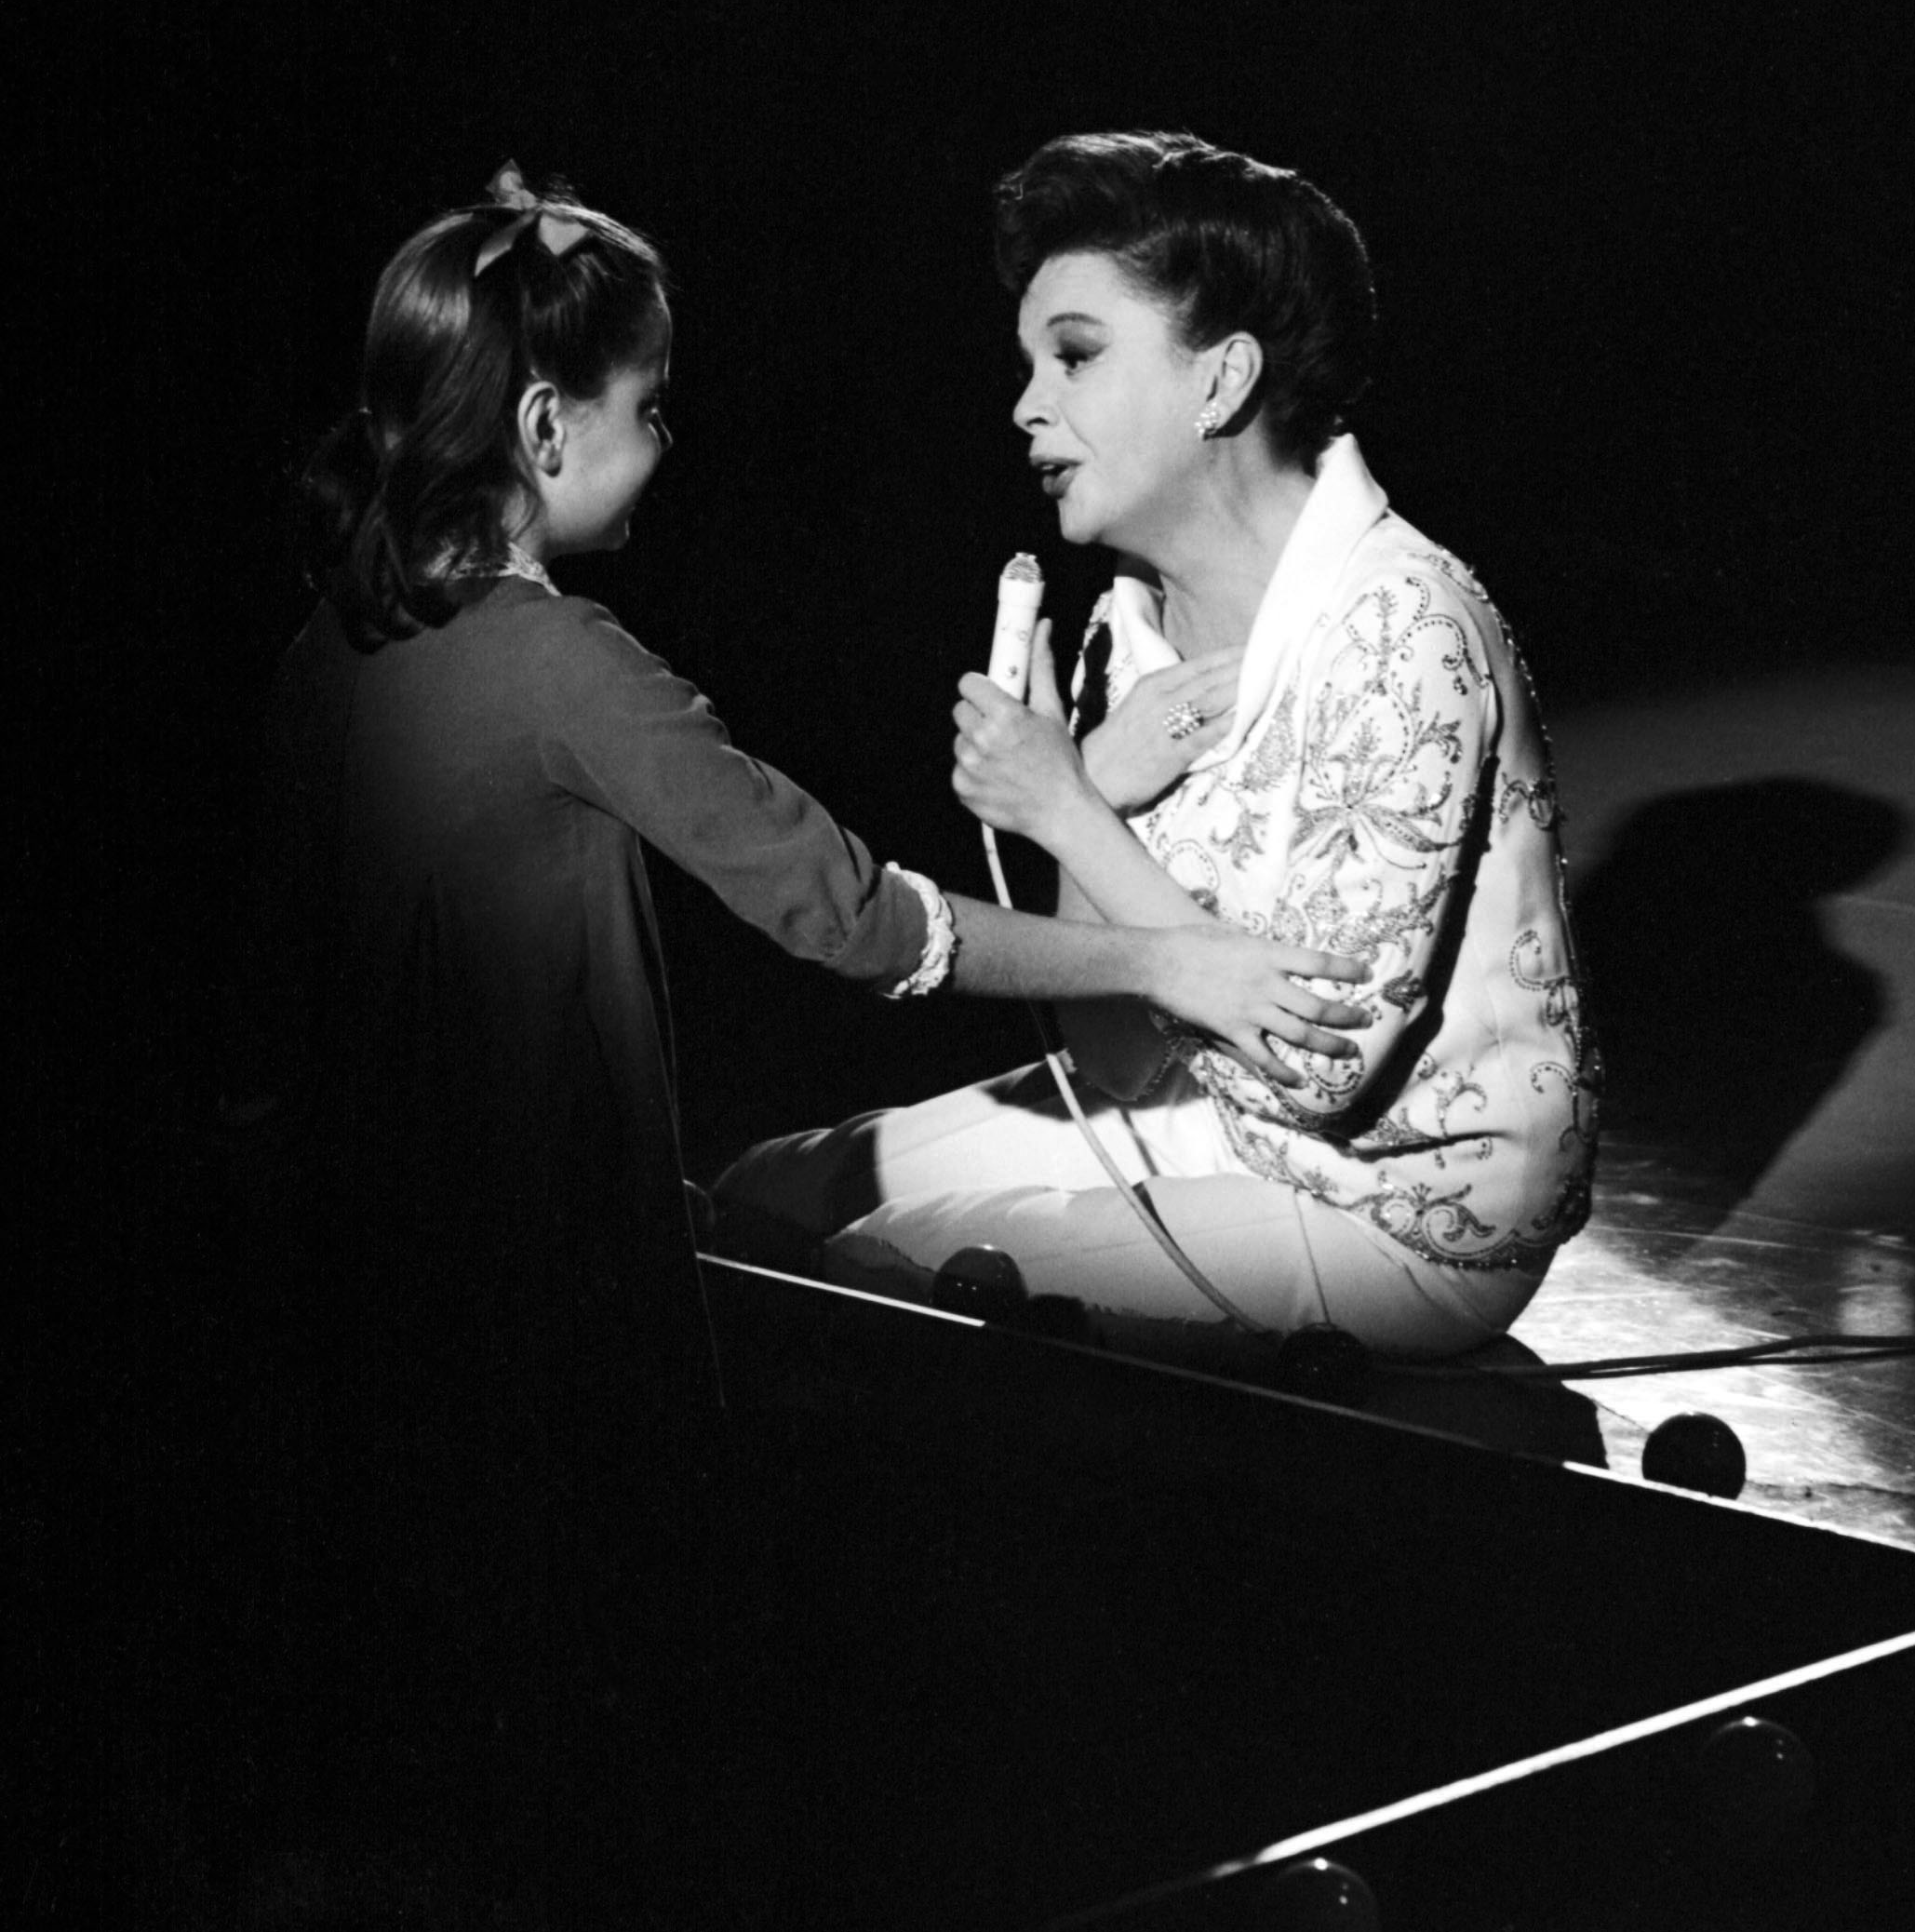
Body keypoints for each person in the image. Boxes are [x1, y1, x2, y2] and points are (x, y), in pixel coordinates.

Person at [227, 163, 1370, 1903]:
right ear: (546, 424)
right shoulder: (567, 667)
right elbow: (855, 917)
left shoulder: (335, 641)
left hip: (356, 1281)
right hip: (542, 1291)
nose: (669, 438)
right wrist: (1163, 961)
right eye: (648, 405)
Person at [715, 132, 1600, 1375]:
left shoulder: (1403, 629)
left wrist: (1069, 808)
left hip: (1395, 1219)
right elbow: (1114, 1061)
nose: (1027, 403)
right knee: (776, 1188)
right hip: (1216, 1126)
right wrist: (1096, 790)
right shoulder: (1123, 627)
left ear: (1221, 379)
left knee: (874, 1271)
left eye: (1073, 354)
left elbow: (1321, 1067)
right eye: (1029, 361)